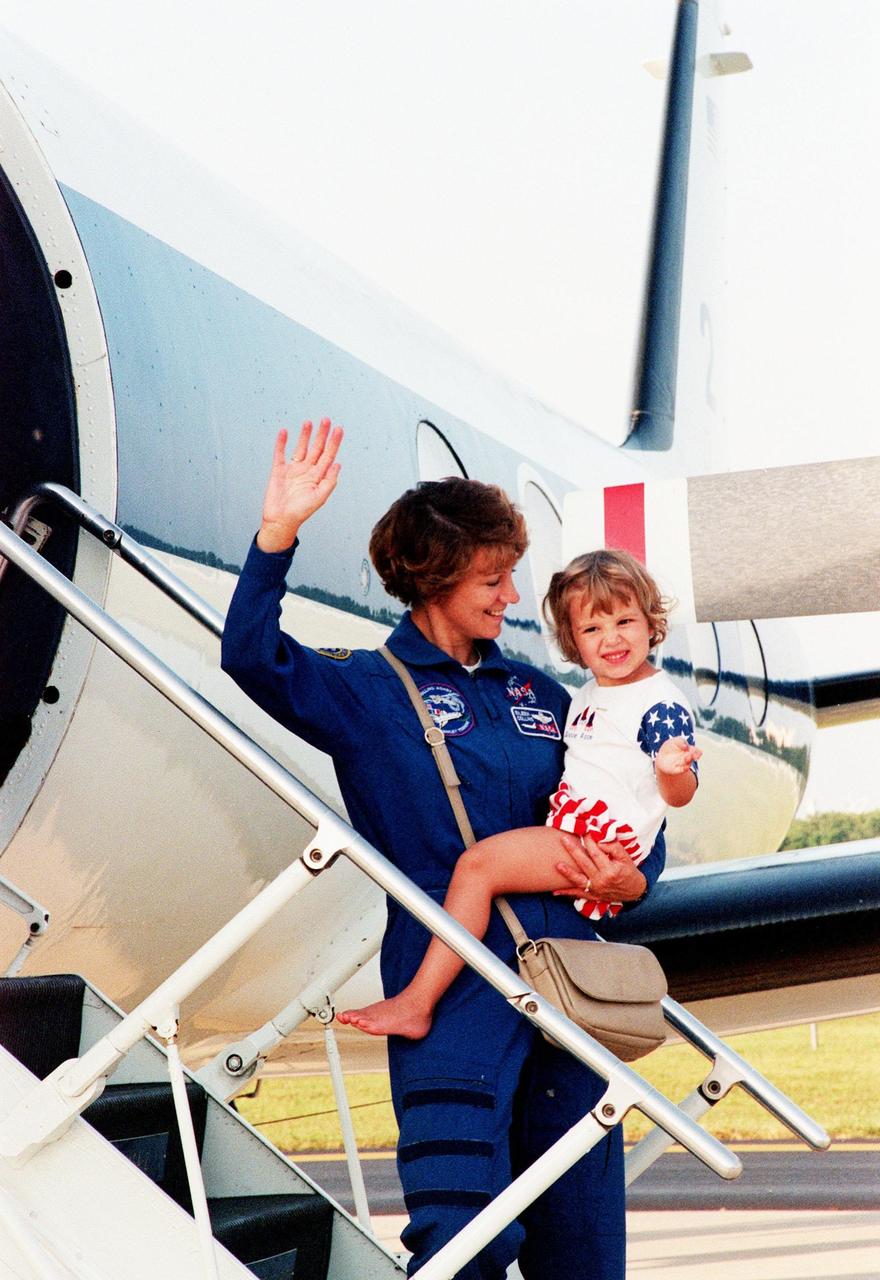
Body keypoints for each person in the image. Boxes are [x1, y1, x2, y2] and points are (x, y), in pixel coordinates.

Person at [221, 417, 667, 1280]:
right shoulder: (364, 692)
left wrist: (636, 875)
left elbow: (635, 807)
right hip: (451, 996)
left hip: (574, 992)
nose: (510, 596)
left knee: (586, 1254)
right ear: (434, 578)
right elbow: (251, 656)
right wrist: (277, 537)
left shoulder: (545, 694)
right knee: (462, 1243)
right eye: (493, 577)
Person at [339, 548, 700, 1041]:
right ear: (572, 641)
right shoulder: (591, 695)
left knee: (478, 867)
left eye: (625, 621)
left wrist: (671, 770)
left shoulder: (658, 704)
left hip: (594, 840)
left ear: (651, 624)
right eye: (592, 630)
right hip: (578, 828)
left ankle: (417, 1001)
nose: (611, 639)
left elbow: (677, 797)